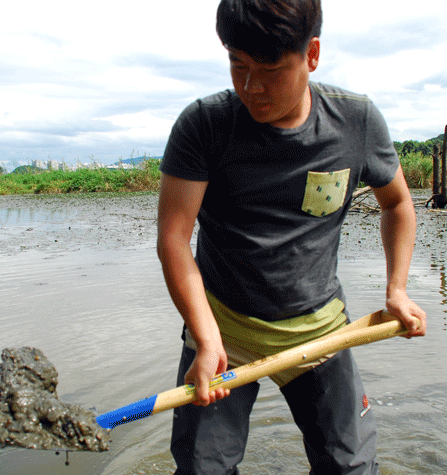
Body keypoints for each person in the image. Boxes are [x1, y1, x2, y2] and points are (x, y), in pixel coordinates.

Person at [156, 0, 427, 474]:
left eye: (271, 70)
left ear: (313, 54)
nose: (251, 87)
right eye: (237, 66)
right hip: (225, 332)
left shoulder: (355, 122)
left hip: (319, 331)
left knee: (349, 467)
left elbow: (398, 204)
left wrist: (397, 289)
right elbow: (174, 238)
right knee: (202, 470)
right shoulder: (204, 125)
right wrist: (205, 340)